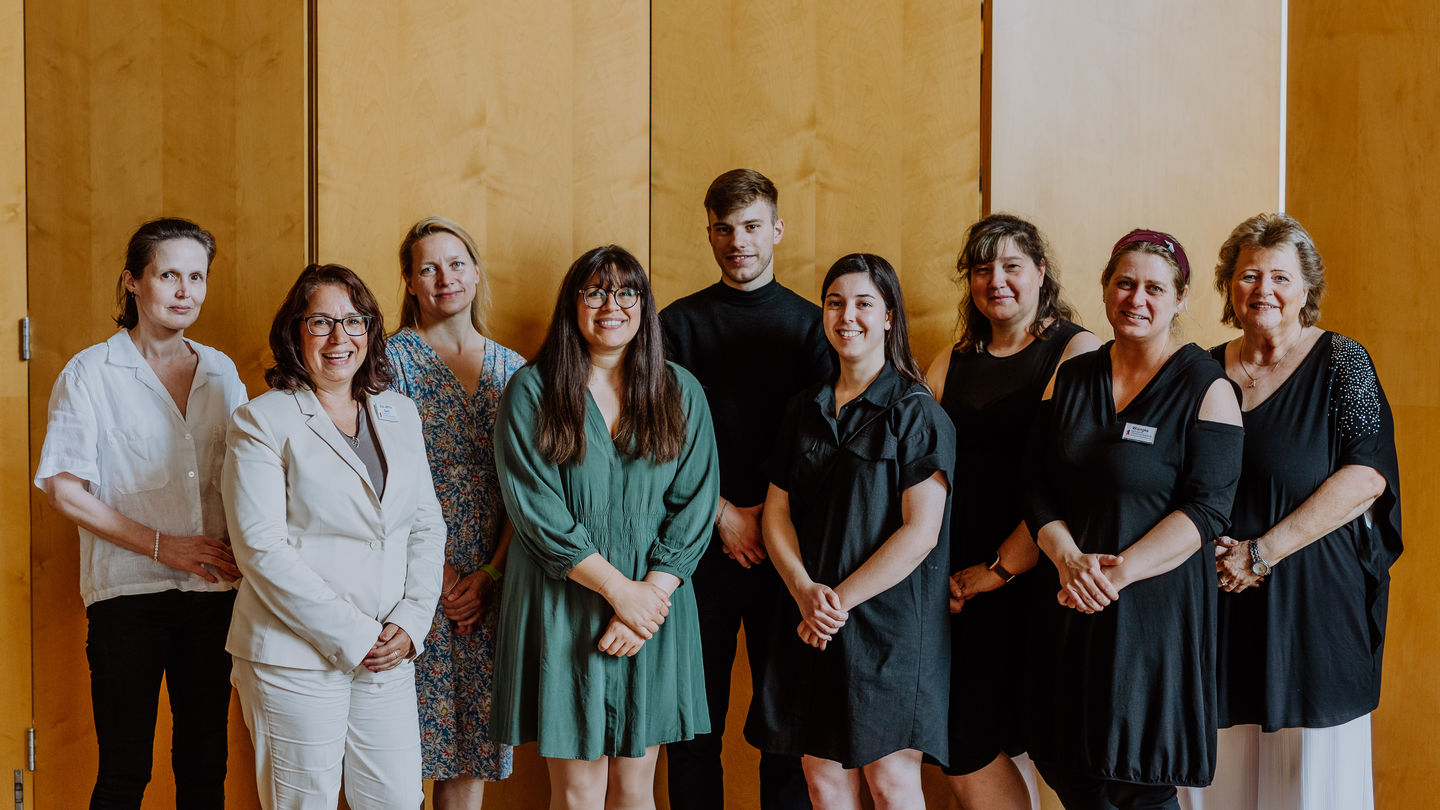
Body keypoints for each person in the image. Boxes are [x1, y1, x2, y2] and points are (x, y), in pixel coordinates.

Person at [1180, 214, 1401, 810]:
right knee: (1217, 783)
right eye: (1249, 275)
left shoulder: (1342, 361)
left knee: (1308, 787)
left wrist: (1261, 553)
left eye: (1281, 276)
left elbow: (1367, 476)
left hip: (1313, 611)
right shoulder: (1198, 369)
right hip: (1214, 608)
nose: (1263, 290)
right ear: (1229, 286)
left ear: (1307, 288)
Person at [492, 245, 719, 810]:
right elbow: (535, 509)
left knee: (637, 786)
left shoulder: (681, 390)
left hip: (655, 601)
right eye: (594, 292)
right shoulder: (531, 390)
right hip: (562, 600)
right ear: (573, 305)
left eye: (625, 292)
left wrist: (648, 604)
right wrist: (624, 596)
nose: (610, 305)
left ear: (644, 305)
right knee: (576, 790)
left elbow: (695, 503)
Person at [1021, 229, 1243, 810]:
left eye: (1154, 288)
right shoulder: (1071, 376)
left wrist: (1114, 577)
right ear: (1105, 288)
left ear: (1180, 297)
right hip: (1070, 600)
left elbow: (1207, 508)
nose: (1136, 299)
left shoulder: (1206, 386)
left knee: (1134, 782)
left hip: (1151, 616)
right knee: (1071, 770)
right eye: (1125, 284)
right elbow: (1036, 485)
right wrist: (1069, 559)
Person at [34, 217, 247, 809]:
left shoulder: (221, 371)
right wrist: (163, 545)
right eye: (169, 275)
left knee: (206, 765)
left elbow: (247, 479)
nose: (185, 291)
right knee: (126, 769)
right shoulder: (90, 372)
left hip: (214, 595)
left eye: (197, 277)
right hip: (127, 597)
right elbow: (63, 489)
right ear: (133, 282)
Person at [223, 263, 445, 810]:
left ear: (371, 330)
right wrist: (354, 633)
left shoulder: (400, 414)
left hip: (388, 654)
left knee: (396, 801)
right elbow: (261, 550)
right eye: (321, 323)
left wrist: (410, 622)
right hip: (294, 657)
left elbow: (425, 525)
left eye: (354, 321)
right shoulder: (261, 421)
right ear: (295, 333)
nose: (339, 338)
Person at [746, 253, 954, 810]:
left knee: (891, 787)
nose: (847, 316)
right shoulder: (802, 409)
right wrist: (802, 592)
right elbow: (776, 514)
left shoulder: (918, 412)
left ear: (889, 316)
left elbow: (921, 532)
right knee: (825, 784)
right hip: (808, 616)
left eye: (865, 303)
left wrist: (835, 603)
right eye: (835, 302)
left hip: (888, 630)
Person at [660, 168, 829, 810]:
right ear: (709, 234)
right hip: (695, 552)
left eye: (752, 226)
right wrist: (725, 514)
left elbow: (824, 444)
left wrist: (769, 518)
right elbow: (657, 444)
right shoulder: (673, 326)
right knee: (693, 725)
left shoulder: (816, 328)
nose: (739, 241)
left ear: (776, 230)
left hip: (789, 554)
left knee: (783, 728)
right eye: (725, 229)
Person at [924, 214, 1101, 810]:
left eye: (1011, 266)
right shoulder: (951, 359)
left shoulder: (1076, 350)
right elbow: (919, 470)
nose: (995, 280)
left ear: (1041, 273)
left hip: (1039, 574)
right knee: (962, 740)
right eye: (981, 269)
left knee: (1053, 745)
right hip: (957, 582)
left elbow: (1070, 480)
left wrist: (999, 570)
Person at [387, 217, 523, 807]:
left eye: (457, 263)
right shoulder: (386, 363)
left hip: (494, 581)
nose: (446, 278)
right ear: (410, 283)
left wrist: (490, 575)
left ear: (475, 271)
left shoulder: (516, 370)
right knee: (395, 750)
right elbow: (377, 479)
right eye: (428, 268)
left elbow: (534, 488)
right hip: (406, 579)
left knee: (471, 750)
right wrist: (438, 576)